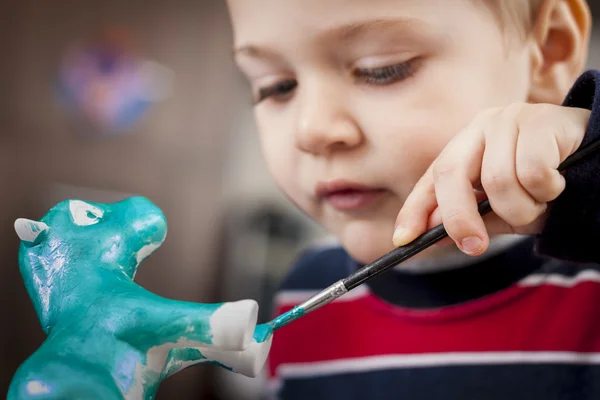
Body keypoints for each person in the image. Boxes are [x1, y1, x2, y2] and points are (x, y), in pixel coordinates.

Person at [226, 0, 600, 398]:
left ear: (548, 51)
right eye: (276, 86)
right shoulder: (299, 296)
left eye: (381, 69)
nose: (311, 130)